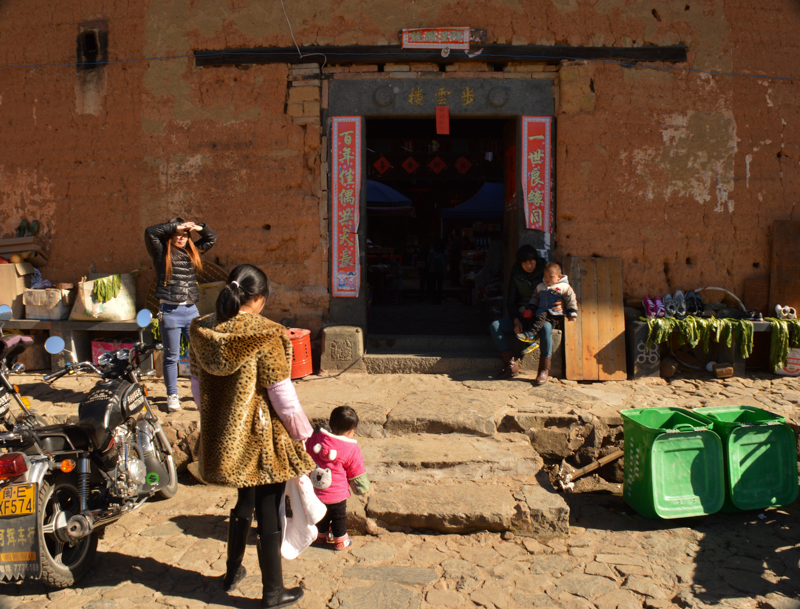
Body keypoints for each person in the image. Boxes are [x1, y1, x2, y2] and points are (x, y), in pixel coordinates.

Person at [190, 264, 315, 609]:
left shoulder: (202, 328)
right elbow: (281, 393)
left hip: (226, 436)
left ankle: (232, 572)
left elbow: (196, 386)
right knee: (268, 508)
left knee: (243, 502)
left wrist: (218, 423)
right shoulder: (268, 333)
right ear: (259, 298)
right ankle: (273, 592)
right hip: (261, 437)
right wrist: (300, 432)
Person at [145, 218, 216, 412]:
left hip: (191, 310)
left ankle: (203, 392)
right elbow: (150, 231)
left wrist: (197, 227)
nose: (181, 237)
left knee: (201, 352)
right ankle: (172, 395)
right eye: (177, 234)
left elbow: (212, 238)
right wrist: (176, 227)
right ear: (170, 235)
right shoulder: (161, 252)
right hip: (170, 311)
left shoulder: (192, 251)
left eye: (185, 235)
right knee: (171, 356)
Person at [306, 406, 370, 551]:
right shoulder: (351, 449)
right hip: (337, 494)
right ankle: (340, 540)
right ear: (351, 431)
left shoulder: (315, 439)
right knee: (339, 516)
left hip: (316, 490)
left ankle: (321, 536)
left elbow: (305, 450)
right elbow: (356, 470)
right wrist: (362, 488)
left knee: (321, 514)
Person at [488, 244, 546, 379]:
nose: (529, 266)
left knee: (547, 329)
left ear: (536, 261)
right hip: (523, 315)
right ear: (520, 264)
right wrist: (516, 320)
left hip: (541, 316)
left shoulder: (545, 272)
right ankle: (511, 366)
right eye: (525, 263)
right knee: (495, 326)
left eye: (531, 262)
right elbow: (511, 301)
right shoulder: (516, 275)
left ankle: (544, 370)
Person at [517, 261, 579, 385]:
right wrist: (531, 307)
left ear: (559, 276)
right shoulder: (540, 286)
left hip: (554, 314)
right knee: (536, 319)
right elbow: (535, 298)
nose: (547, 279)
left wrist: (572, 312)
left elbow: (571, 299)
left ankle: (543, 369)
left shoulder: (564, 287)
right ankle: (531, 342)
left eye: (551, 277)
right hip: (540, 313)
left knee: (543, 319)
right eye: (545, 276)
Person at [427, 239, 447, 305]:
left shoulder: (432, 251)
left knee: (433, 285)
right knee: (440, 285)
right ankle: (439, 299)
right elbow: (446, 261)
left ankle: (433, 299)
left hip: (433, 269)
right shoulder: (444, 251)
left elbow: (429, 260)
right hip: (441, 270)